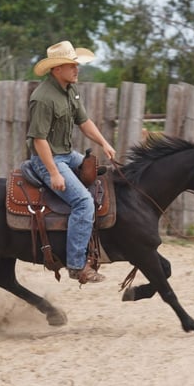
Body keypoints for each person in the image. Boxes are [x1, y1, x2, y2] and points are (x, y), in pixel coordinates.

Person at [27, 40, 116, 284]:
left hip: (67, 154)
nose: (77, 69)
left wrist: (104, 143)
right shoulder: (43, 98)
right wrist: (54, 173)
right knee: (83, 202)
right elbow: (39, 140)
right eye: (71, 65)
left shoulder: (70, 90)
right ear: (56, 69)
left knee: (104, 176)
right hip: (47, 159)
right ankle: (77, 265)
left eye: (76, 64)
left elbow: (84, 122)